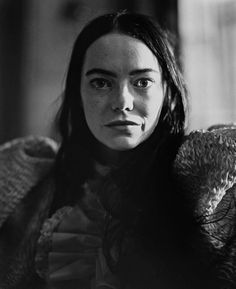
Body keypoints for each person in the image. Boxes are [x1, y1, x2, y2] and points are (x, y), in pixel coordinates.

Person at [0, 10, 236, 289]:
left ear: (167, 93)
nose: (122, 101)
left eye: (142, 82)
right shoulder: (30, 184)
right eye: (101, 83)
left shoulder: (209, 184)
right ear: (78, 94)